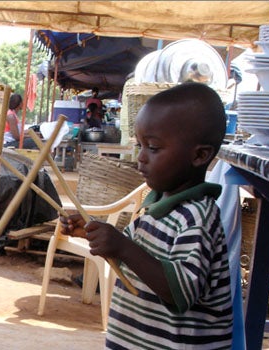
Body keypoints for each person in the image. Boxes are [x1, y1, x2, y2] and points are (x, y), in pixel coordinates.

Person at [61, 82, 233, 348]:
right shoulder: (153, 208)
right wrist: (91, 231)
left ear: (199, 155)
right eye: (140, 145)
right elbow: (132, 260)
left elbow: (180, 293)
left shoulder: (197, 218)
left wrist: (121, 246)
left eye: (152, 148)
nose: (140, 157)